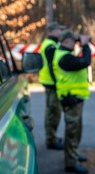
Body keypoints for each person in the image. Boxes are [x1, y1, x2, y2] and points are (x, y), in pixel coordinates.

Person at [52, 29, 91, 173]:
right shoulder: (64, 58)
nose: (76, 44)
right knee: (72, 132)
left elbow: (80, 61)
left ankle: (73, 155)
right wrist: (85, 45)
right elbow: (85, 61)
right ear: (66, 41)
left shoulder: (65, 55)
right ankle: (71, 162)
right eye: (74, 41)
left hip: (74, 98)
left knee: (75, 130)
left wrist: (83, 46)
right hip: (71, 99)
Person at [39, 22, 66, 150]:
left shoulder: (50, 44)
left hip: (50, 83)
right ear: (51, 31)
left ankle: (52, 137)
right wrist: (57, 82)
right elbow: (51, 67)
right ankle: (51, 140)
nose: (60, 32)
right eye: (58, 30)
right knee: (53, 113)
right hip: (52, 84)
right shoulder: (50, 46)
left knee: (52, 111)